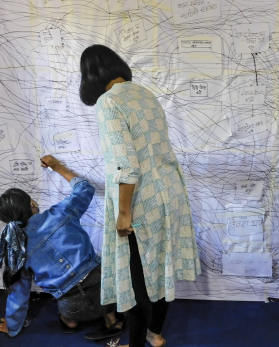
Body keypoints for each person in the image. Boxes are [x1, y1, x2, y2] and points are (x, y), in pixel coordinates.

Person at [79, 45, 201, 347]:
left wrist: (123, 213)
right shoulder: (145, 94)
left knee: (137, 281)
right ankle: (155, 333)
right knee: (160, 268)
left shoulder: (108, 102)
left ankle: (135, 343)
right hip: (169, 193)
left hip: (141, 199)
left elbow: (125, 164)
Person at [0, 155, 124, 341]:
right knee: (102, 291)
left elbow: (19, 293)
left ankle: (68, 321)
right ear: (32, 203)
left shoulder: (18, 250)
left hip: (72, 306)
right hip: (105, 293)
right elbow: (85, 188)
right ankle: (111, 320)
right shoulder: (61, 212)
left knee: (69, 308)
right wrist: (57, 167)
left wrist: (12, 325)